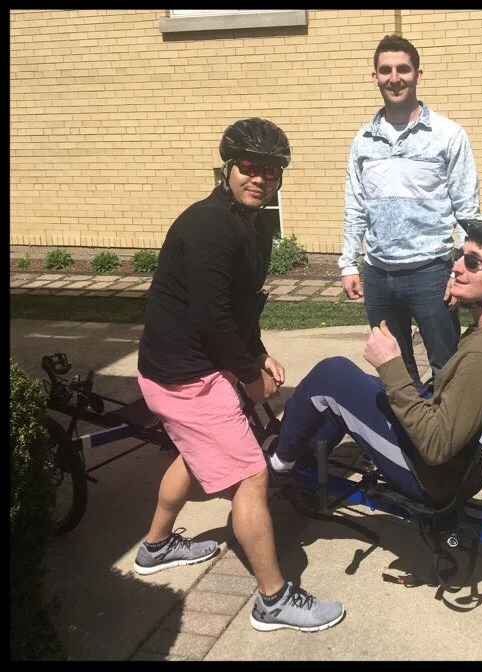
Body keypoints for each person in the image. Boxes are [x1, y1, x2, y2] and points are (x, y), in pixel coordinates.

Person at [135, 117, 344, 633]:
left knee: (194, 452)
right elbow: (212, 318)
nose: (261, 178)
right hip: (184, 376)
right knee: (252, 474)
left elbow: (237, 308)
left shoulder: (249, 226)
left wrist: (260, 352)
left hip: (186, 368)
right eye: (250, 167)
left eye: (272, 171)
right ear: (227, 167)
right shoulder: (209, 225)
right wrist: (250, 375)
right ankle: (273, 601)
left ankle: (155, 547)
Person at [267, 212, 482, 503]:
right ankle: (306, 455)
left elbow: (435, 446)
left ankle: (277, 466)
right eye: (459, 255)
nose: (455, 268)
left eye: (472, 262)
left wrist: (391, 366)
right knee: (351, 383)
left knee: (330, 377)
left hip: (431, 477)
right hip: (463, 463)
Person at [339, 33, 481, 389]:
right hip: (377, 275)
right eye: (385, 70)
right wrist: (347, 263)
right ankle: (406, 442)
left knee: (446, 366)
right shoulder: (363, 140)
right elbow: (355, 204)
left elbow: (467, 209)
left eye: (403, 69)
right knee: (395, 371)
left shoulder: (448, 135)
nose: (394, 77)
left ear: (418, 75)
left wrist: (460, 270)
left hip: (431, 273)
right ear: (375, 77)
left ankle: (448, 442)